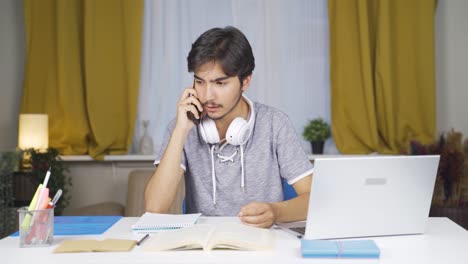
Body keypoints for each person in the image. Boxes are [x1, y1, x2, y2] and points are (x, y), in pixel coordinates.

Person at [145, 26, 313, 228]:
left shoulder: (274, 123)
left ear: (245, 81)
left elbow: (312, 198)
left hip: (263, 245)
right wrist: (180, 131)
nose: (208, 96)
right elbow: (154, 208)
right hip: (203, 248)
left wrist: (276, 212)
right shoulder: (182, 126)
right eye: (200, 82)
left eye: (220, 83)